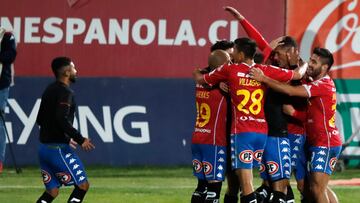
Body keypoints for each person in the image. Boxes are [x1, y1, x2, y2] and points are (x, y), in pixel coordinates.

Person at [194, 37, 303, 203]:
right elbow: (297, 75)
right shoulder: (263, 70)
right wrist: (306, 64)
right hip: (261, 133)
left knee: (246, 186)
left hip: (241, 133)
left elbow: (202, 79)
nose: (232, 56)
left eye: (235, 52)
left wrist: (197, 72)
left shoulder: (231, 70)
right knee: (263, 183)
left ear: (241, 54)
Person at [249, 47, 342, 203]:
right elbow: (311, 116)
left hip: (325, 143)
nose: (309, 63)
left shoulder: (322, 85)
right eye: (310, 59)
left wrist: (264, 78)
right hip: (316, 141)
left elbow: (291, 91)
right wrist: (295, 113)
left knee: (317, 189)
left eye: (314, 61)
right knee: (311, 186)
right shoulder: (318, 82)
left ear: (325, 67)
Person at [36, 57, 95, 203]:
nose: (76, 71)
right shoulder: (65, 93)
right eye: (74, 68)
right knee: (82, 186)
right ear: (67, 72)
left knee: (52, 191)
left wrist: (66, 138)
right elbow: (61, 119)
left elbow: (40, 119)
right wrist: (80, 140)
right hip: (58, 150)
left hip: (44, 149)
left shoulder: (49, 90)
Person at [191, 49, 231, 203]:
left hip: (198, 138)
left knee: (201, 187)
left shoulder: (200, 83)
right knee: (214, 189)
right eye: (228, 62)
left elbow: (198, 73)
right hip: (213, 141)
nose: (231, 65)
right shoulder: (222, 86)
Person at [0, 26, 17, 174]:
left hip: (1, 85)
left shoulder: (6, 36)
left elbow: (11, 55)